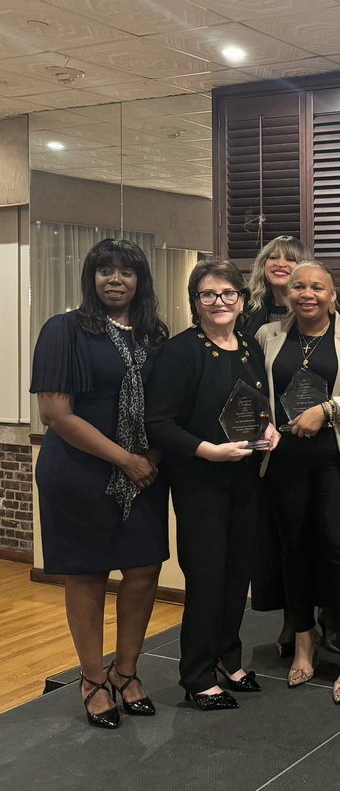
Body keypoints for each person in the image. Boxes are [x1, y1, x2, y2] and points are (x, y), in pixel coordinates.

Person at [31, 238, 170, 729]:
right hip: (79, 470)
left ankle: (127, 672)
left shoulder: (154, 335)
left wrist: (147, 458)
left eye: (126, 271)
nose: (115, 279)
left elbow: (164, 409)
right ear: (90, 278)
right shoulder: (64, 330)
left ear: (140, 280)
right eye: (104, 271)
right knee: (87, 574)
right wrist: (126, 460)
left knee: (144, 570)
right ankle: (92, 680)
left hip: (145, 471)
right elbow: (56, 414)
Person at [145, 259, 280, 711]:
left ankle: (228, 658)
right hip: (200, 481)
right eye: (209, 294)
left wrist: (270, 429)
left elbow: (258, 407)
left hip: (245, 477)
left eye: (228, 294)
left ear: (242, 300)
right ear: (195, 302)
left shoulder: (249, 348)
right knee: (206, 578)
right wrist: (207, 450)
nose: (220, 302)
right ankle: (197, 674)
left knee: (235, 573)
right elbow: (158, 424)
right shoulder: (179, 352)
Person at [258, 260, 340, 705]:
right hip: (283, 460)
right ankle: (304, 637)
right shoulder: (267, 336)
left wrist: (327, 410)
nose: (306, 294)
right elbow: (257, 394)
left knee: (338, 547)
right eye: (298, 287)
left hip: (338, 458)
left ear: (333, 295)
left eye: (317, 287)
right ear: (287, 293)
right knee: (293, 548)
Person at [243, 234, 340, 658]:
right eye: (274, 257)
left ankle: (329, 617)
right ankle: (295, 619)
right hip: (275, 452)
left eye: (292, 260)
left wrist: (325, 412)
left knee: (331, 539)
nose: (281, 264)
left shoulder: (338, 322)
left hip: (330, 449)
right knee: (284, 541)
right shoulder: (256, 322)